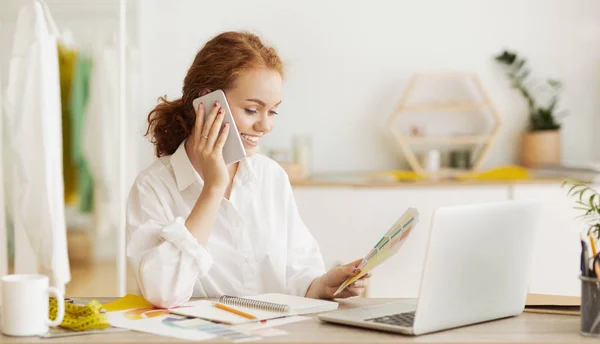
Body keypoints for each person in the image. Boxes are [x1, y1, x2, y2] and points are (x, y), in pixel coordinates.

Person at [126, 31, 370, 308]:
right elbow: (163, 293)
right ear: (207, 103)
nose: (265, 126)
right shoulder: (153, 186)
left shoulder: (270, 177)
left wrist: (321, 285)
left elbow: (298, 274)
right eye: (252, 110)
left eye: (273, 111)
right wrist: (213, 189)